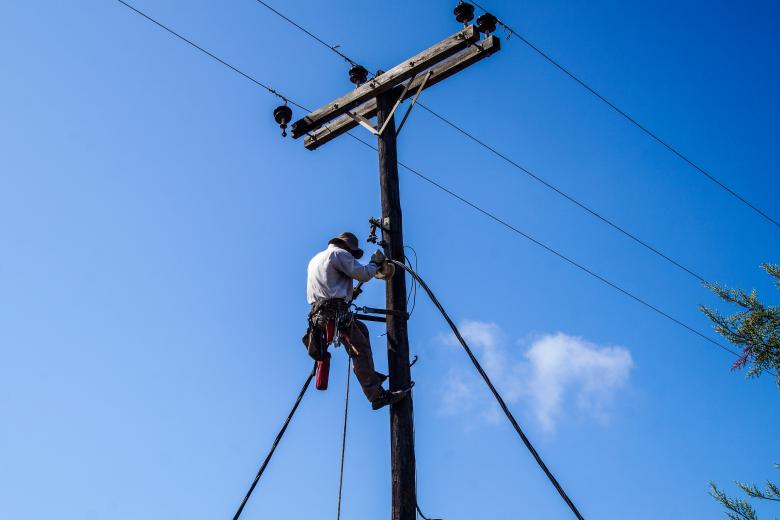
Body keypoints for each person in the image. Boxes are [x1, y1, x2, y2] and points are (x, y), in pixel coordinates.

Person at [305, 232, 408, 410]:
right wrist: (375, 263)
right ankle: (376, 396)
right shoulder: (340, 254)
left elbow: (331, 287)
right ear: (347, 247)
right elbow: (363, 274)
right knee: (359, 351)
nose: (352, 257)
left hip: (319, 316)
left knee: (362, 330)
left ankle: (369, 374)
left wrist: (351, 293)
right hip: (334, 314)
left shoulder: (316, 259)